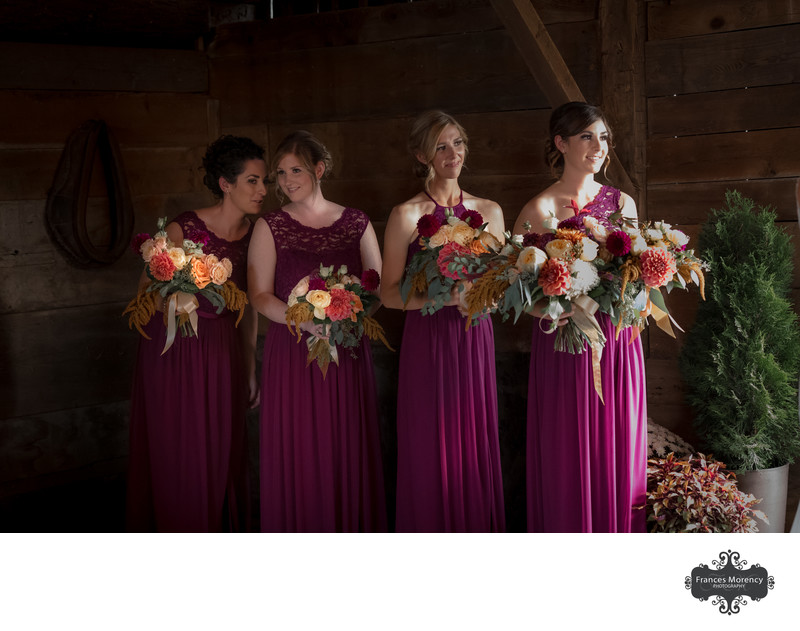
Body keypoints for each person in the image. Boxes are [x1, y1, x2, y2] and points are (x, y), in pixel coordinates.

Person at [513, 101, 647, 532]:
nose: (599, 146)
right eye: (587, 136)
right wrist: (554, 306)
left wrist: (637, 292)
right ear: (561, 143)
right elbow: (511, 290)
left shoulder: (622, 202)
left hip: (617, 340)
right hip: (566, 342)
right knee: (569, 447)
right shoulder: (539, 209)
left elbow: (635, 274)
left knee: (617, 443)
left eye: (603, 137)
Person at [248, 130, 386, 532]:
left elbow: (375, 288)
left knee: (345, 446)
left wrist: (350, 316)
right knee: (301, 448)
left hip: (347, 352)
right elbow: (258, 295)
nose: (287, 180)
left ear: (319, 169)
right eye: (280, 173)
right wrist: (305, 320)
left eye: (296, 170)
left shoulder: (356, 222)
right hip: (293, 354)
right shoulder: (270, 225)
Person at [127, 135, 266, 532]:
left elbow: (250, 306)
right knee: (177, 445)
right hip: (172, 348)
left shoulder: (257, 234)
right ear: (226, 184)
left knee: (219, 446)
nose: (262, 191)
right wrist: (183, 292)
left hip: (222, 349)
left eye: (264, 181)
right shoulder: (182, 226)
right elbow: (144, 296)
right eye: (252, 181)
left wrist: (250, 367)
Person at [381, 110, 506, 532]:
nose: (452, 153)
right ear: (422, 155)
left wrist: (484, 300)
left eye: (457, 143)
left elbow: (503, 284)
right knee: (430, 439)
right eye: (440, 145)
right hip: (428, 338)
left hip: (474, 336)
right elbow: (387, 292)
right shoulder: (405, 215)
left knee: (472, 439)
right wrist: (442, 296)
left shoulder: (490, 210)